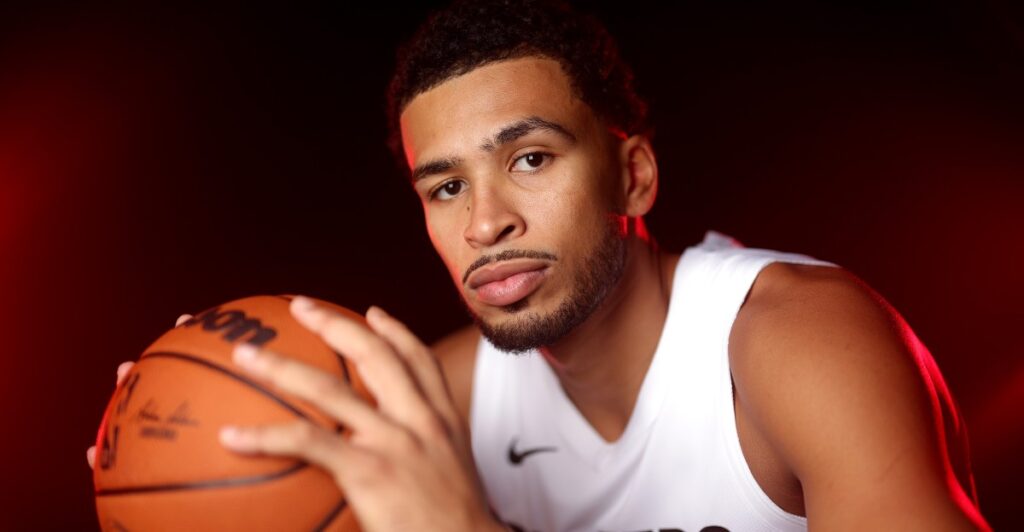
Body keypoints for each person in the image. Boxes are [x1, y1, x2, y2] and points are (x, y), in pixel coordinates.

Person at [88, 0, 991, 530]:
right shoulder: (439, 403)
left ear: (633, 177)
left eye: (529, 159)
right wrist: (182, 441)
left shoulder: (797, 343)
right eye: (446, 187)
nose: (485, 222)